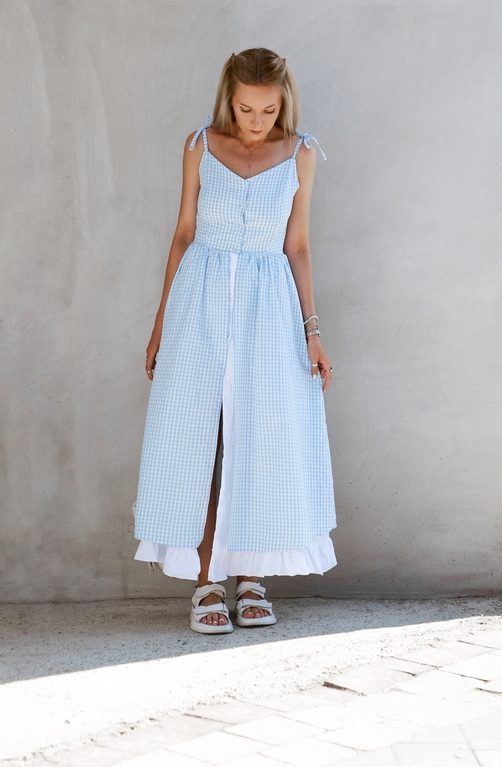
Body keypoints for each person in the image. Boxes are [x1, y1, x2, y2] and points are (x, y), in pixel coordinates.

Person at [133, 48, 337, 633]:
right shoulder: (200, 145)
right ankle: (205, 582)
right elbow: (182, 234)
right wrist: (160, 323)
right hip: (200, 302)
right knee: (205, 435)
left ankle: (251, 576)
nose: (256, 120)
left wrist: (313, 333)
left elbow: (296, 246)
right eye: (246, 108)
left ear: (283, 104)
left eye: (268, 110)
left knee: (263, 437)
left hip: (270, 309)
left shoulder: (299, 154)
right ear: (230, 100)